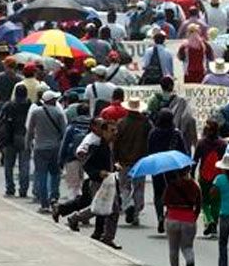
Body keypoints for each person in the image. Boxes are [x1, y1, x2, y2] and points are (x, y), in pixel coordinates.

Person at [66, 118, 122, 250]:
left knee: (112, 209)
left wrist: (115, 167)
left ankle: (108, 238)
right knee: (98, 208)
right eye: (111, 130)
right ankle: (75, 218)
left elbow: (109, 163)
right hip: (98, 182)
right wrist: (98, 173)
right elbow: (87, 165)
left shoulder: (111, 146)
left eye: (115, 130)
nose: (114, 133)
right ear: (103, 131)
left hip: (110, 181)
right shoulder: (96, 146)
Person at [148, 109, 189, 233]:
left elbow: (149, 149)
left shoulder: (153, 133)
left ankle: (160, 216)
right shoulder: (176, 133)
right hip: (173, 167)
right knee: (172, 192)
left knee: (158, 193)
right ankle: (169, 214)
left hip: (157, 165)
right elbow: (183, 150)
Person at [26, 90, 66, 210]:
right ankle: (54, 197)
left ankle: (44, 203)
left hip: (39, 147)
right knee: (55, 174)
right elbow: (64, 132)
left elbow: (30, 130)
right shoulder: (59, 113)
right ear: (52, 101)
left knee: (41, 175)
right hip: (55, 148)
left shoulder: (36, 112)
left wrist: (27, 144)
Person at [114, 97, 152, 225]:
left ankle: (128, 204)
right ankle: (136, 213)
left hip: (124, 160)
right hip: (141, 160)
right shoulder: (146, 123)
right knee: (139, 187)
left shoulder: (121, 123)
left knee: (124, 186)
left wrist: (115, 158)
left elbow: (116, 142)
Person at [163, 167, 201, 266]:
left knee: (173, 248)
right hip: (188, 218)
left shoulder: (171, 185)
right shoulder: (194, 185)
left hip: (172, 218)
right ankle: (190, 265)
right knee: (187, 247)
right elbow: (199, 204)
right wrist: (194, 217)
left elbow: (164, 201)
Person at [0, 84, 31, 197]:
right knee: (24, 165)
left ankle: (10, 187)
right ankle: (23, 189)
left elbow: (0, 121)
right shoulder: (30, 106)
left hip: (9, 137)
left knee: (8, 165)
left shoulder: (9, 105)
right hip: (25, 137)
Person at [194, 120, 227, 237]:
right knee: (217, 201)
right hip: (218, 176)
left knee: (205, 201)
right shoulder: (223, 144)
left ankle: (209, 220)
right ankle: (214, 221)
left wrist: (192, 174)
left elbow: (195, 160)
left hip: (204, 176)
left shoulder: (201, 143)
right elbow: (226, 161)